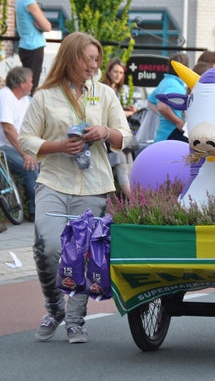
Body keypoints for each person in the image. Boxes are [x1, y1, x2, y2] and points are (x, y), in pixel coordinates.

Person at [18, 32, 132, 344]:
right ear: (71, 58)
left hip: (94, 186)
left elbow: (125, 136)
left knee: (82, 254)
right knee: (48, 248)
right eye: (88, 59)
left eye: (97, 59)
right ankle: (55, 308)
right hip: (53, 183)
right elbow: (26, 138)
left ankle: (75, 320)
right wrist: (57, 146)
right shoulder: (45, 96)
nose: (94, 65)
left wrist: (105, 131)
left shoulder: (104, 94)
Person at [0, 66, 38, 222]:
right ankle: (36, 211)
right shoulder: (5, 96)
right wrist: (25, 153)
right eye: (30, 81)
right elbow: (8, 129)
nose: (32, 84)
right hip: (4, 147)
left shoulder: (25, 100)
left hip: (21, 145)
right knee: (30, 166)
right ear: (22, 84)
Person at [102, 58, 136, 197]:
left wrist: (127, 109)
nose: (118, 75)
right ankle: (134, 201)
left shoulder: (118, 90)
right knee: (122, 168)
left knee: (129, 168)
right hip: (109, 136)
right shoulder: (105, 90)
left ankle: (134, 199)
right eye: (115, 71)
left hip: (120, 135)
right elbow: (108, 114)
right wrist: (128, 113)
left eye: (121, 72)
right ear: (109, 72)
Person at [15, 0, 52, 94]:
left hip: (25, 46)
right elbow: (47, 26)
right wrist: (41, 25)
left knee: (27, 85)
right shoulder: (29, 1)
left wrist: (40, 24)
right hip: (34, 48)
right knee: (31, 87)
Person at [148, 52, 189, 143]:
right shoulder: (174, 85)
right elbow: (162, 106)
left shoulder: (165, 81)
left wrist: (163, 117)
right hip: (172, 134)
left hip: (163, 134)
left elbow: (151, 101)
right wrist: (177, 121)